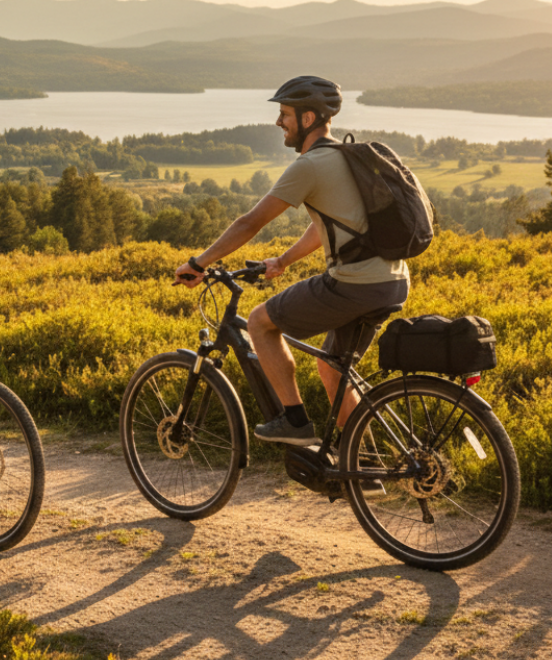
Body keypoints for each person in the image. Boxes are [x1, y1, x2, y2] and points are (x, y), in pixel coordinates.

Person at [174, 76, 410, 447]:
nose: (278, 122)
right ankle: (362, 464)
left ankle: (294, 422)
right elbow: (328, 227)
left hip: (355, 285)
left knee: (260, 323)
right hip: (391, 280)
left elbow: (250, 222)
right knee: (332, 369)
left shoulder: (311, 165)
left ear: (308, 118)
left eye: (284, 114)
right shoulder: (349, 158)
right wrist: (283, 260)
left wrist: (199, 263)